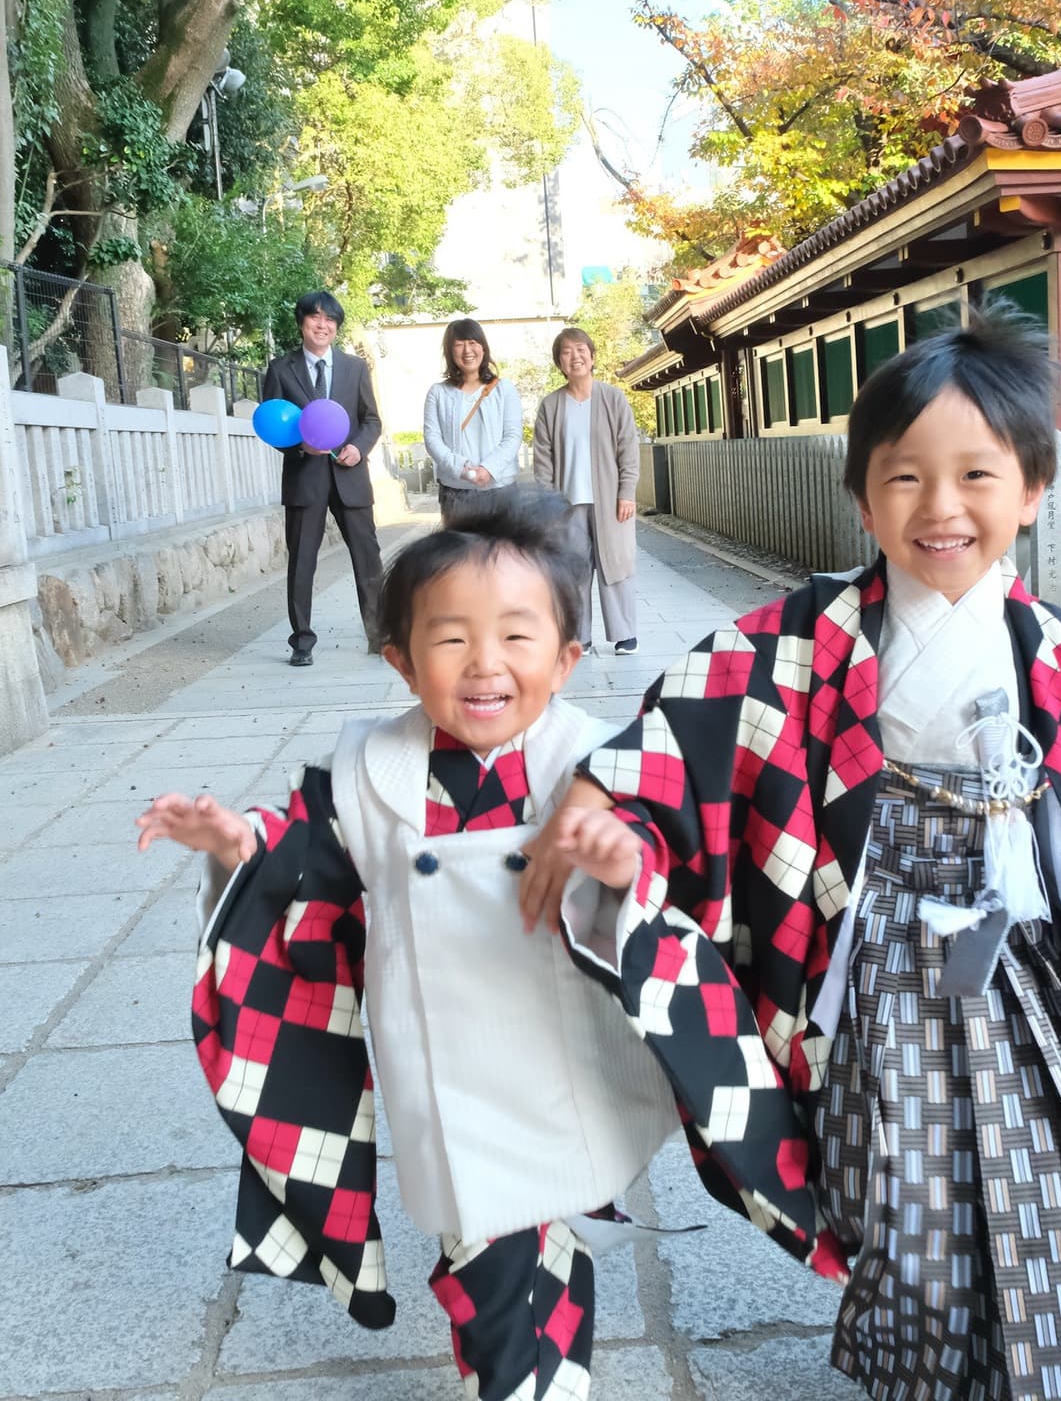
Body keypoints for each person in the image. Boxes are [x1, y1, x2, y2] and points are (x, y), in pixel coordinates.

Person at [521, 306, 1061, 1400]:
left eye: (977, 477)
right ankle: (932, 1356)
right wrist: (609, 814)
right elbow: (671, 744)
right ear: (861, 496)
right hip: (883, 945)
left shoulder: (1051, 639)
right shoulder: (798, 641)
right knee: (909, 1176)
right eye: (904, 479)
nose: (940, 509)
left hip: (1030, 941)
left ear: (1033, 489)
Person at [134, 489, 677, 1401]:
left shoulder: (592, 763)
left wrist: (624, 861)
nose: (485, 664)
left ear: (569, 657)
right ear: (401, 660)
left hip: (559, 1055)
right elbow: (307, 865)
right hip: (441, 1066)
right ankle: (521, 1352)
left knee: (520, 1253)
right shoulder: (368, 771)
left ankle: (527, 1374)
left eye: (516, 635)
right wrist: (237, 844)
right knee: (485, 1246)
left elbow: (663, 863)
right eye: (451, 637)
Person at [262, 290, 384, 666]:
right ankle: (302, 641)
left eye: (330, 320)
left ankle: (380, 635)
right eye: (315, 318)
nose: (323, 325)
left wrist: (359, 448)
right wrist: (301, 448)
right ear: (302, 322)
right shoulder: (281, 370)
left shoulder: (354, 368)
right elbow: (272, 426)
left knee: (368, 557)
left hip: (351, 476)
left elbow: (371, 420)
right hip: (305, 479)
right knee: (302, 562)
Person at [532, 327, 640, 657]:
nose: (575, 356)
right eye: (567, 352)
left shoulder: (613, 398)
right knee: (573, 569)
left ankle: (625, 634)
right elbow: (543, 458)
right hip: (567, 505)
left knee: (616, 564)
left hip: (610, 502)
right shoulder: (551, 405)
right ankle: (579, 636)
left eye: (581, 350)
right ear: (559, 363)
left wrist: (627, 491)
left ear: (592, 357)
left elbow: (628, 449)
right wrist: (548, 504)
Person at [422, 318, 523, 525]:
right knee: (460, 555)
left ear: (483, 348)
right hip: (456, 493)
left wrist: (488, 470)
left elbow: (513, 436)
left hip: (501, 490)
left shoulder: (504, 389)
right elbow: (432, 439)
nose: (467, 350)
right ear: (450, 352)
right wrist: (463, 470)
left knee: (502, 554)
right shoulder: (438, 393)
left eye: (473, 343)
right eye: (459, 345)